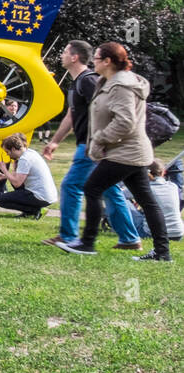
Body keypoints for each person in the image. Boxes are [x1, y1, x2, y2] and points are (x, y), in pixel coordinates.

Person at [60, 42, 171, 261]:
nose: (94, 62)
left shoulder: (121, 85)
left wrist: (100, 139)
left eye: (98, 58)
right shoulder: (109, 82)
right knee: (146, 200)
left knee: (91, 188)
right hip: (131, 152)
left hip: (126, 152)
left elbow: (125, 121)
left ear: (108, 61)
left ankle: (87, 243)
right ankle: (162, 253)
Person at [40, 41, 140, 249]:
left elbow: (108, 109)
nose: (62, 56)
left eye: (65, 52)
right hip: (89, 145)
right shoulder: (76, 82)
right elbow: (71, 114)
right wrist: (55, 142)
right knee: (110, 190)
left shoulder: (89, 81)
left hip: (91, 146)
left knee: (71, 185)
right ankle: (130, 239)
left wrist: (103, 140)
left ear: (75, 57)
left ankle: (68, 236)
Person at [0, 132, 57, 218]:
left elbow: (17, 183)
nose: (7, 154)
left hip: (40, 197)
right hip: (47, 195)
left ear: (14, 149)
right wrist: (4, 176)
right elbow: (19, 176)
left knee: (1, 200)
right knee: (12, 183)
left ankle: (35, 211)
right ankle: (30, 211)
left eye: (7, 151)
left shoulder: (24, 159)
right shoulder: (30, 153)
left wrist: (4, 169)